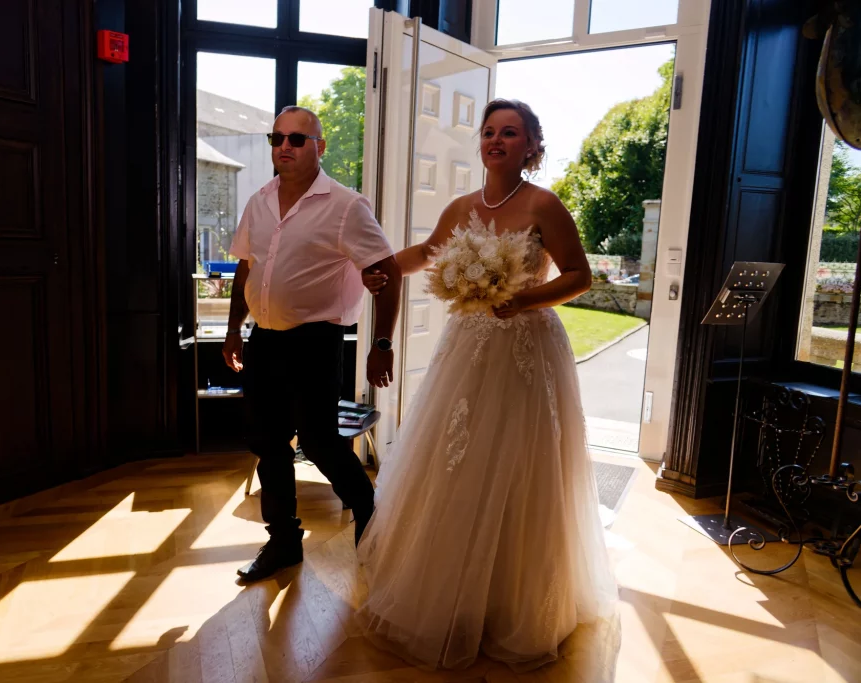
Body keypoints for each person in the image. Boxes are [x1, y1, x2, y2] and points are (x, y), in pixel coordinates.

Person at [356, 99, 617, 672]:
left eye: (510, 133)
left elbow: (579, 275)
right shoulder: (461, 207)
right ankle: (451, 588)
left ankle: (511, 600)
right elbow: (427, 253)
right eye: (490, 132)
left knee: (521, 464)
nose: (496, 140)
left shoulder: (544, 204)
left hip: (526, 349)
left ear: (530, 146)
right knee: (456, 460)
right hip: (469, 348)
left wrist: (524, 297)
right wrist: (380, 266)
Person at [223, 105, 402, 584]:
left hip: (315, 342)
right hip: (265, 340)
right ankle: (283, 540)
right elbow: (247, 268)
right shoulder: (259, 201)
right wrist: (233, 327)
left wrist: (381, 343)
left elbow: (389, 269)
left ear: (319, 147)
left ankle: (371, 518)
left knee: (321, 442)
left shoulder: (346, 205)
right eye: (276, 137)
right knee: (269, 443)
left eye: (297, 139)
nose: (284, 146)